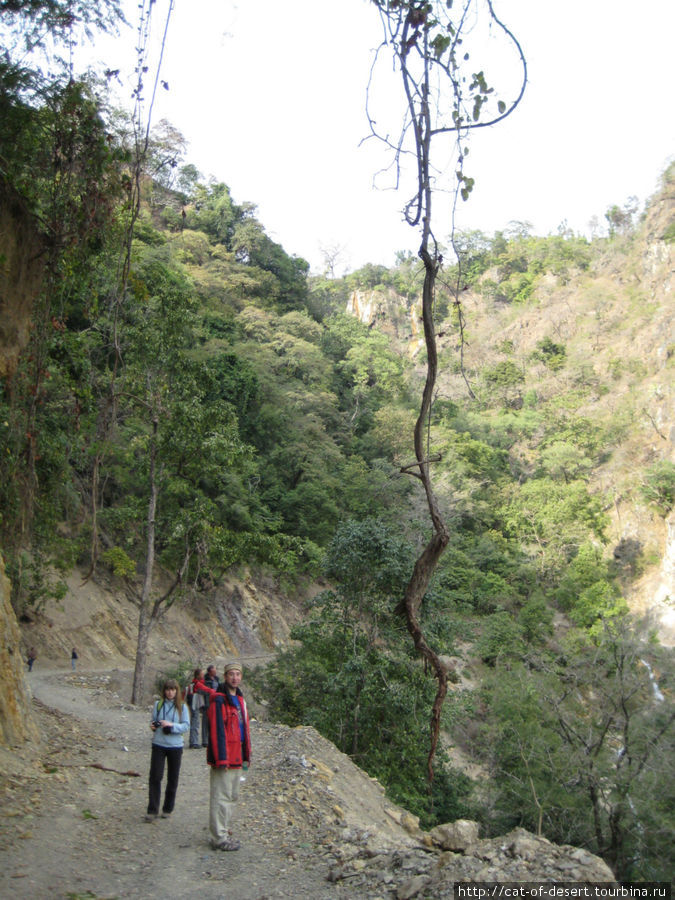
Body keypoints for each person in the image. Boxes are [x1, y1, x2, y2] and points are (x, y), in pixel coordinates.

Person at [196, 662, 251, 851]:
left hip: (237, 756)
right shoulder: (218, 699)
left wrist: (246, 755)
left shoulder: (240, 699)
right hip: (225, 757)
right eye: (231, 674)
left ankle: (223, 831)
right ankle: (218, 837)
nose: (235, 678)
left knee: (232, 795)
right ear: (225, 676)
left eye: (238, 674)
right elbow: (217, 730)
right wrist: (221, 758)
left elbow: (244, 729)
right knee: (221, 796)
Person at [145, 678, 190, 822]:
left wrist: (172, 726)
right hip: (158, 744)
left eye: (172, 690)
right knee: (155, 776)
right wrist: (154, 725)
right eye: (167, 689)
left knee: (172, 778)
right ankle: (152, 809)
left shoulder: (182, 707)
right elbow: (153, 722)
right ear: (164, 691)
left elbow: (186, 726)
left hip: (175, 746)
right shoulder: (158, 705)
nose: (170, 692)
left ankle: (167, 808)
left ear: (176, 691)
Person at [186, 667, 207, 749]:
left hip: (194, 704)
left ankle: (193, 741)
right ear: (198, 675)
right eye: (201, 674)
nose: (203, 675)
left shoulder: (194, 683)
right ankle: (194, 742)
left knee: (195, 721)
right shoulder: (197, 684)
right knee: (195, 722)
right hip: (195, 704)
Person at [202, 664, 219, 748]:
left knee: (214, 721)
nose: (215, 672)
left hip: (215, 702)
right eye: (213, 671)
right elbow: (204, 692)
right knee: (205, 722)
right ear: (209, 672)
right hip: (207, 703)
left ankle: (212, 739)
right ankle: (205, 740)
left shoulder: (217, 679)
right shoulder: (205, 681)